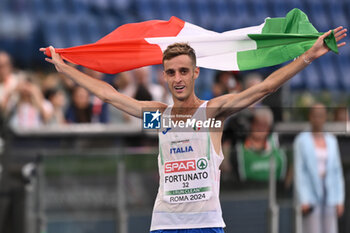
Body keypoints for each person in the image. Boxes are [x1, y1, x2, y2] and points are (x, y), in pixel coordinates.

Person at [40, 27, 347, 232]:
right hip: (164, 223)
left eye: (184, 71)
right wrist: (64, 67)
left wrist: (307, 57)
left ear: (196, 72)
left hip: (207, 222)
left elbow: (264, 88)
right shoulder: (158, 117)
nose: (178, 78)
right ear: (164, 77)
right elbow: (110, 95)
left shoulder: (213, 113)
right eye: (171, 72)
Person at [294, 103, 345, 233]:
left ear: (325, 117)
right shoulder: (301, 140)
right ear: (310, 117)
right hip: (310, 191)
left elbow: (337, 171)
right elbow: (299, 172)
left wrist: (339, 199)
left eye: (321, 116)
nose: (318, 119)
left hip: (330, 191)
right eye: (315, 116)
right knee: (312, 229)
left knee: (330, 229)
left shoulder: (332, 141)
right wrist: (303, 199)